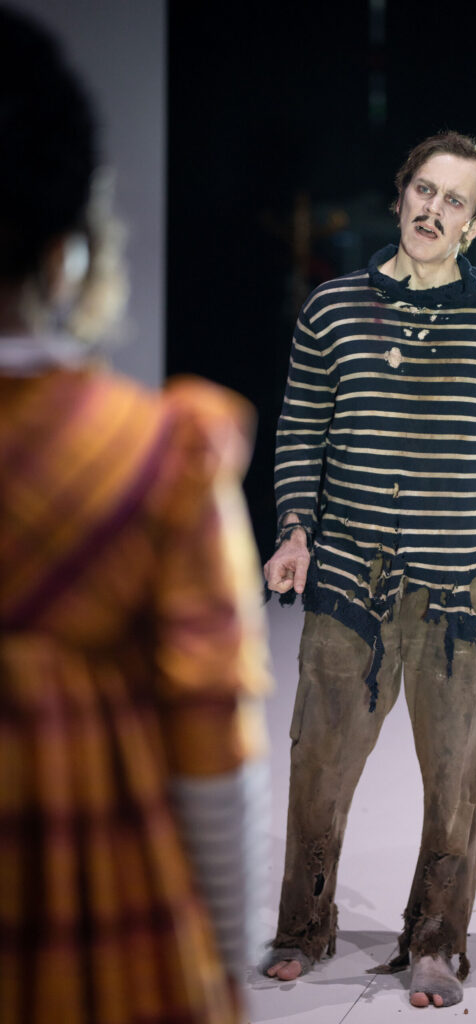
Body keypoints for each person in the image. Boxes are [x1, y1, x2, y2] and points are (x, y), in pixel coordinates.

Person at [263, 130, 476, 1009]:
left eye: (454, 201)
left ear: (474, 224)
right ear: (401, 194)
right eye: (424, 190)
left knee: (455, 780)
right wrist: (293, 534)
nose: (432, 209)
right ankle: (302, 927)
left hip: (462, 596)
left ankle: (436, 941)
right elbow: (300, 435)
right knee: (318, 766)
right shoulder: (332, 310)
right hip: (346, 588)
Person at [0, 9, 270, 1024]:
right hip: (98, 939)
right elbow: (212, 749)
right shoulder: (159, 459)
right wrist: (228, 968)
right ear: (66, 248)